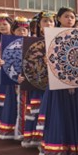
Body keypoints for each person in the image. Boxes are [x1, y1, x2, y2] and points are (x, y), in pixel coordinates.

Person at [38, 7, 78, 155]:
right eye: (66, 16)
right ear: (59, 19)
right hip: (57, 84)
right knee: (60, 115)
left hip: (77, 83)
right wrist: (47, 61)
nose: (70, 19)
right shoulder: (51, 37)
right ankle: (59, 150)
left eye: (72, 17)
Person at [21, 11, 56, 148]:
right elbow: (26, 61)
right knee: (37, 108)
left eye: (51, 21)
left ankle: (50, 138)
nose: (48, 23)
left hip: (54, 82)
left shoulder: (59, 39)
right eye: (45, 21)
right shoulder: (32, 41)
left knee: (52, 109)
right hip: (37, 82)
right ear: (39, 24)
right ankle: (36, 138)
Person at [0, 17, 30, 140]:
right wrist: (2, 63)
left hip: (28, 80)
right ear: (13, 31)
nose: (22, 32)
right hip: (13, 80)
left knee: (27, 106)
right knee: (14, 104)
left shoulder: (32, 43)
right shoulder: (9, 43)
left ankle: (25, 132)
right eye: (19, 30)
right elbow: (6, 60)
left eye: (24, 30)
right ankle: (15, 131)